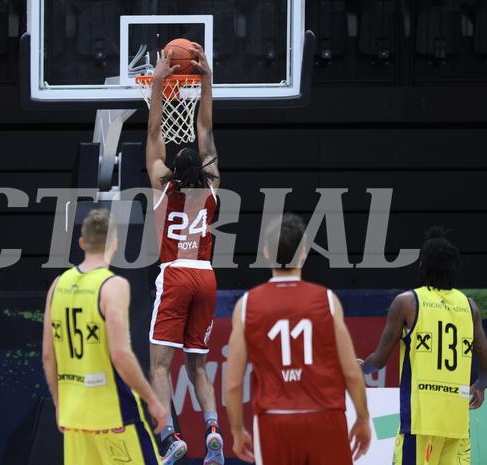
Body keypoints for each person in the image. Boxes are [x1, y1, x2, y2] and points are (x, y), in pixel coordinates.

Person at [224, 213, 371, 464]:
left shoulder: (247, 305)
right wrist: (362, 418)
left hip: (275, 420)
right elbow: (352, 373)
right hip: (326, 417)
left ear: (267, 252)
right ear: (304, 252)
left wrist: (238, 431)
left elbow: (234, 384)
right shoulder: (327, 300)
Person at [144, 41, 224, 465]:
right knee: (199, 366)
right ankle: (212, 428)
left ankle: (170, 437)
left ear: (174, 168)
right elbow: (205, 127)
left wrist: (159, 81)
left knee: (160, 367)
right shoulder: (211, 188)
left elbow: (155, 131)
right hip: (206, 275)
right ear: (204, 168)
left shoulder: (162, 186)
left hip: (175, 273)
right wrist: (206, 78)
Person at [42, 208, 168, 465]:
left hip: (74, 415)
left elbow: (47, 354)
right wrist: (152, 401)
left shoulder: (57, 284)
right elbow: (120, 355)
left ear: (82, 243)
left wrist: (59, 404)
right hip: (114, 413)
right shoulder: (113, 286)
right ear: (114, 243)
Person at [359, 226, 487, 465]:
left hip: (420, 421)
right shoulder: (470, 307)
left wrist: (360, 368)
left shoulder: (407, 303)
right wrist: (480, 385)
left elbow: (379, 360)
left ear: (422, 266)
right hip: (457, 423)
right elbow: (486, 362)